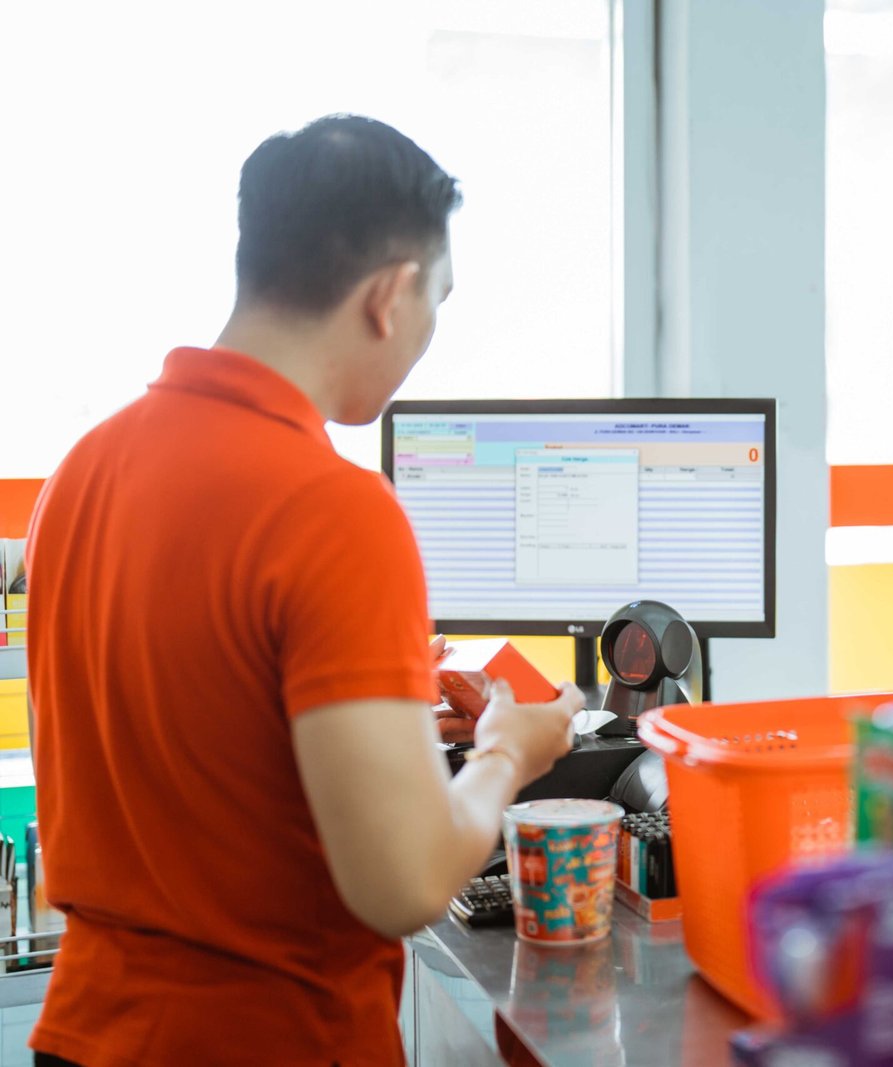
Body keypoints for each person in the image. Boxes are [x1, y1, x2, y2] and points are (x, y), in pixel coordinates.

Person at [24, 115, 582, 1067]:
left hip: (83, 1032)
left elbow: (180, 744)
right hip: (267, 1040)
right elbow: (403, 884)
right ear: (390, 295)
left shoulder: (80, 472)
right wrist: (505, 754)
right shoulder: (335, 511)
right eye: (438, 300)